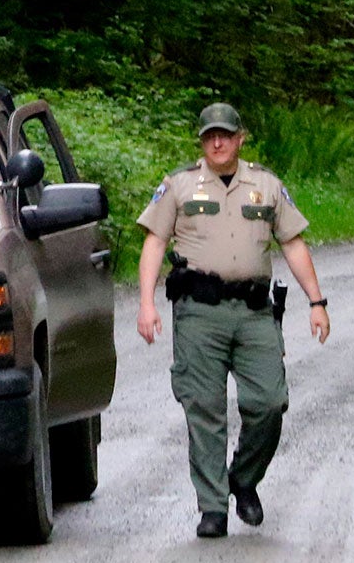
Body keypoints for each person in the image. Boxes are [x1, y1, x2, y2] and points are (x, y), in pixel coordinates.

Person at [135, 103, 330, 538]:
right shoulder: (179, 186)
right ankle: (212, 508)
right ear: (202, 141)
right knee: (203, 407)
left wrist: (316, 301)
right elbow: (154, 242)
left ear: (240, 137)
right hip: (199, 313)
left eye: (225, 134)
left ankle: (242, 479)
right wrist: (146, 304)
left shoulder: (266, 185)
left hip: (253, 311)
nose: (217, 142)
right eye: (209, 136)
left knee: (268, 402)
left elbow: (293, 244)